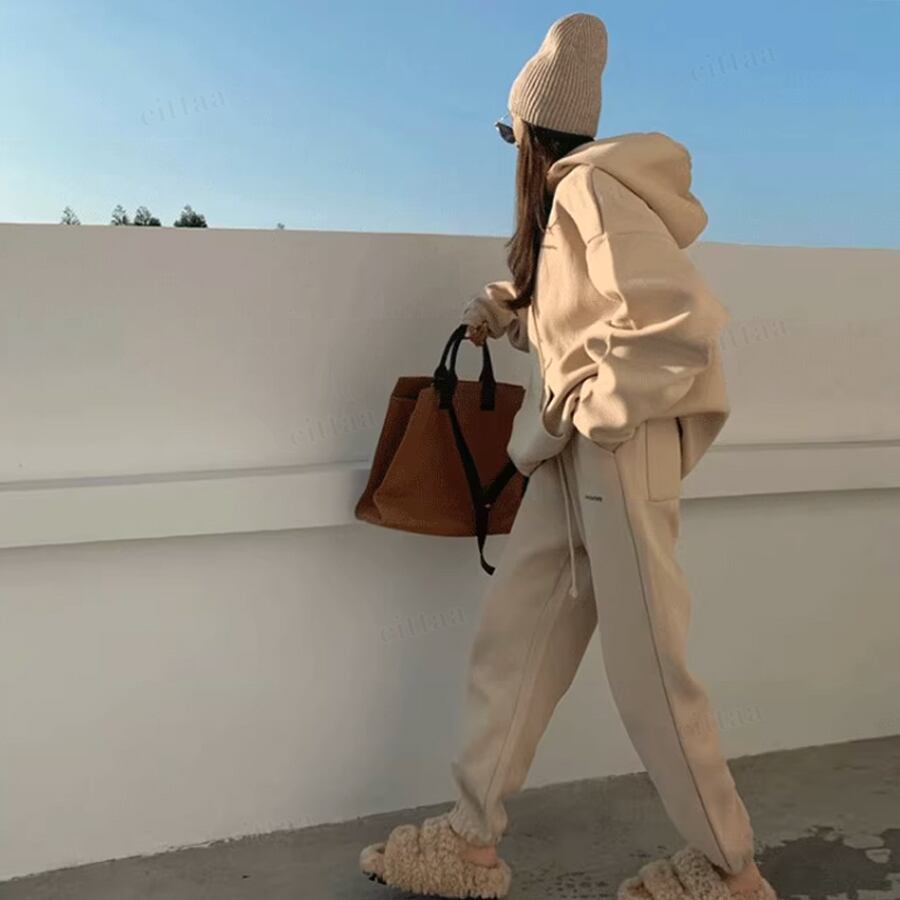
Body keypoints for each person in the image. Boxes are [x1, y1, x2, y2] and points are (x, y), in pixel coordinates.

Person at [359, 12, 777, 900]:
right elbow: (580, 311)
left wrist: (596, 409)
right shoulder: (569, 204)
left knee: (650, 670)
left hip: (610, 452)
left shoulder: (590, 193)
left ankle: (730, 871)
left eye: (508, 132)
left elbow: (678, 323)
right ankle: (469, 839)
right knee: (513, 642)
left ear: (529, 133)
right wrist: (506, 310)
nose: (508, 146)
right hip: (568, 459)